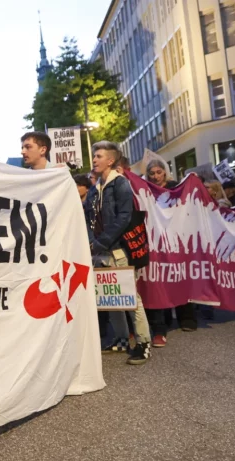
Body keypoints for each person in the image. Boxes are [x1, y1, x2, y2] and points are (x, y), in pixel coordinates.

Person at [84, 141, 151, 364]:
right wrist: (93, 242)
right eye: (94, 156)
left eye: (99, 156)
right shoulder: (95, 189)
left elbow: (124, 217)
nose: (94, 159)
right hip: (100, 251)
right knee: (110, 297)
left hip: (117, 250)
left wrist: (100, 242)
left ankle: (143, 342)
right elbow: (89, 219)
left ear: (110, 161)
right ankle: (121, 339)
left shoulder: (120, 184)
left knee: (131, 297)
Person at [145, 158, 197, 339]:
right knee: (163, 279)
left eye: (159, 172)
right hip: (158, 239)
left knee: (181, 276)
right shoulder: (147, 189)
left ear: (165, 173)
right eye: (152, 173)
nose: (156, 176)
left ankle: (187, 317)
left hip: (177, 236)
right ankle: (165, 316)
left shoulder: (176, 187)